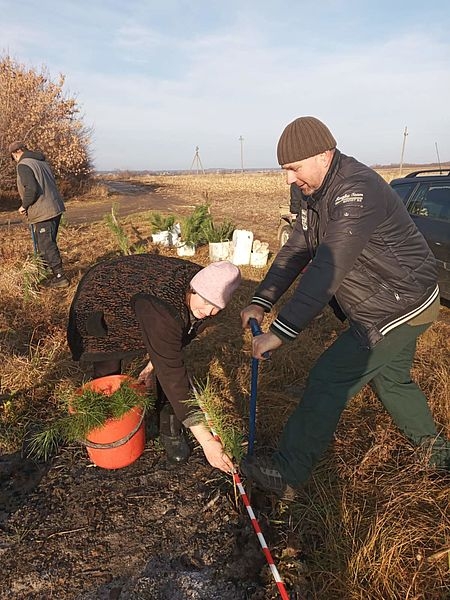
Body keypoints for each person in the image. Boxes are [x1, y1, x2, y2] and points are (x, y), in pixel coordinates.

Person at [240, 116, 449, 497]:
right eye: (285, 170)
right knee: (392, 381)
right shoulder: (314, 192)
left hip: (398, 306)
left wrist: (281, 332)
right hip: (397, 300)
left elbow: (326, 267)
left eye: (294, 168)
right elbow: (298, 247)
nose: (289, 178)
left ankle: (289, 474)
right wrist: (262, 298)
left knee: (328, 378)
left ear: (324, 154)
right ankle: (440, 459)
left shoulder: (356, 189)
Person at [67, 254, 241, 472]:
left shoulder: (208, 285)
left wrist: (152, 365)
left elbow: (174, 346)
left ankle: (169, 428)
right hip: (104, 296)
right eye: (205, 301)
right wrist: (207, 442)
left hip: (142, 295)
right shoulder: (162, 308)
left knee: (165, 368)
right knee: (107, 365)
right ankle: (108, 429)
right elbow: (172, 374)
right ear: (193, 289)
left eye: (216, 307)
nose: (208, 311)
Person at [9, 140, 69, 288]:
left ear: (16, 153)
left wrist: (24, 206)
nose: (15, 161)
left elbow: (32, 189)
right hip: (55, 207)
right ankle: (46, 272)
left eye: (13, 157)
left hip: (43, 211)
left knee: (46, 245)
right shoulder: (41, 162)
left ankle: (60, 277)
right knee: (47, 243)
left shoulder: (23, 165)